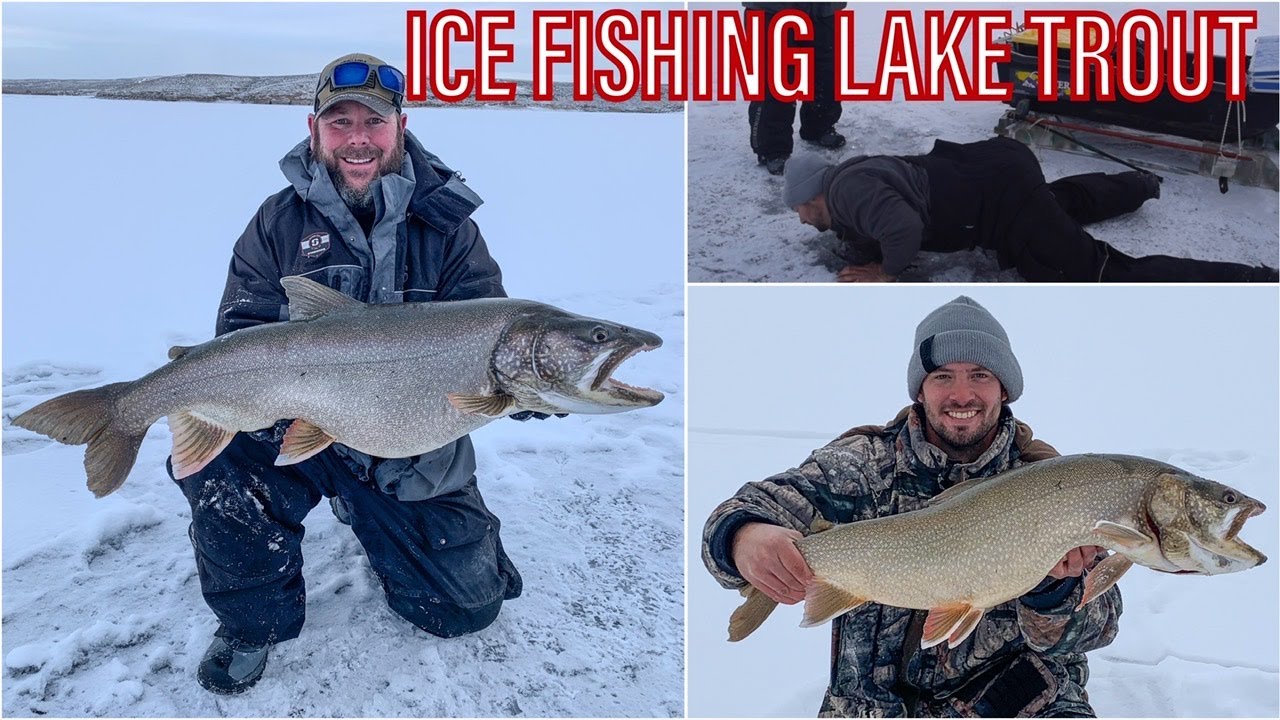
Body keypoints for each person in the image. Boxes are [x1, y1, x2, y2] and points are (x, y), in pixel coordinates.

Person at [173, 53, 535, 694]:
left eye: (373, 120)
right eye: (340, 122)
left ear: (400, 127)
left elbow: (485, 337)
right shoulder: (276, 223)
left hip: (407, 435)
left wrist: (524, 388)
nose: (358, 138)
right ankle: (252, 621)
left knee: (462, 611)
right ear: (314, 130)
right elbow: (240, 332)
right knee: (218, 465)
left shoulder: (449, 227)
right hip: (296, 417)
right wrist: (266, 398)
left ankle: (385, 514)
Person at [701, 296, 1120, 717]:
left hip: (1018, 702)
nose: (961, 394)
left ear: (1004, 388)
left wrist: (1056, 590)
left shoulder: (1051, 481)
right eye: (942, 376)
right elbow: (740, 512)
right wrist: (743, 537)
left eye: (979, 375)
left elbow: (1099, 627)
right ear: (920, 388)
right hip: (871, 708)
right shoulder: (861, 463)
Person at [781, 137, 1280, 282]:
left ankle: (1254, 280)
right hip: (999, 169)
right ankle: (1137, 185)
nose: (802, 221)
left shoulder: (850, 193)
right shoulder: (852, 179)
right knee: (1053, 206)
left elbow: (902, 227)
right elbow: (877, 221)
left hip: (1002, 200)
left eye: (800, 211)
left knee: (1094, 270)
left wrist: (885, 273)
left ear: (814, 196)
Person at [744, 2, 848, 176]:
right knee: (777, 78)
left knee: (827, 73)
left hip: (824, 9)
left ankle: (818, 126)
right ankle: (772, 148)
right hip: (772, 9)